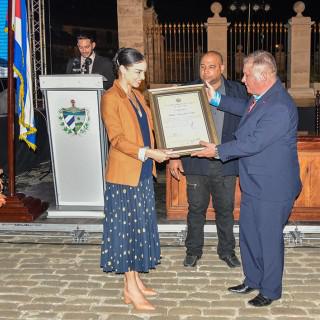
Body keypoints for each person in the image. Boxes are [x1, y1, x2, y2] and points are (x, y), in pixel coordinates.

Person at [193, 50, 301, 307]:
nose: (242, 79)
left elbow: (253, 143)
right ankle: (252, 279)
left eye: (246, 75)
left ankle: (270, 290)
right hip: (255, 183)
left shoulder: (280, 107)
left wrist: (217, 150)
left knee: (268, 239)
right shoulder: (262, 97)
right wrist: (217, 99)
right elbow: (245, 109)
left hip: (273, 188)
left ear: (263, 76)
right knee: (249, 234)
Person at [100, 47, 175, 311]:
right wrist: (148, 153)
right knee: (128, 232)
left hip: (142, 172)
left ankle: (135, 282)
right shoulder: (111, 97)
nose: (142, 77)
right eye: (137, 72)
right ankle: (130, 289)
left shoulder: (138, 96)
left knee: (139, 227)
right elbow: (117, 139)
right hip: (124, 176)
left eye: (143, 71)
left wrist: (164, 149)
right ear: (122, 68)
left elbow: (150, 128)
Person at [169, 51, 247, 268]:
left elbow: (249, 122)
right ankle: (193, 251)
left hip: (226, 162)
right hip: (196, 162)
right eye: (203, 66)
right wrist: (174, 157)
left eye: (211, 66)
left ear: (222, 68)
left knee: (225, 210)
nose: (206, 70)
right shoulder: (188, 89)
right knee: (196, 210)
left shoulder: (238, 91)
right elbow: (175, 125)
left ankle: (227, 251)